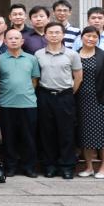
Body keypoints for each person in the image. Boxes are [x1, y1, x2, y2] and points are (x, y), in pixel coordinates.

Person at [35, 22, 83, 179]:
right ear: (45, 35)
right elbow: (36, 77)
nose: (54, 35)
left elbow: (78, 78)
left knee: (66, 132)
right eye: (50, 32)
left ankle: (67, 166)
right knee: (47, 132)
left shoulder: (72, 54)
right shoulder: (38, 54)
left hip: (65, 96)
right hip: (45, 95)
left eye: (57, 32)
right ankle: (49, 166)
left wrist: (68, 92)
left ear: (63, 35)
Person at [75, 26, 104, 179]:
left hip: (101, 100)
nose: (91, 39)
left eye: (95, 37)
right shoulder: (75, 55)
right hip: (81, 101)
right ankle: (89, 167)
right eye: (88, 36)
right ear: (82, 37)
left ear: (98, 39)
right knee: (85, 135)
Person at [0, 28, 40, 178]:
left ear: (22, 41)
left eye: (16, 38)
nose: (13, 41)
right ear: (5, 41)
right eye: (10, 38)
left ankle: (29, 167)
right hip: (6, 104)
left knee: (29, 137)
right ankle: (10, 167)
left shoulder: (31, 59)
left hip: (28, 104)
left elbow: (34, 81)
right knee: (9, 138)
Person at [71, 7, 104, 79]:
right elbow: (73, 60)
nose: (96, 20)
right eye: (93, 18)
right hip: (83, 80)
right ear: (88, 21)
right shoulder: (78, 40)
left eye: (100, 18)